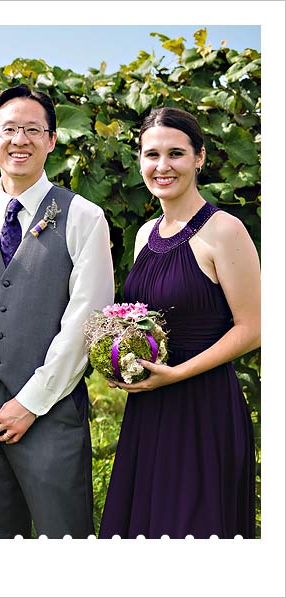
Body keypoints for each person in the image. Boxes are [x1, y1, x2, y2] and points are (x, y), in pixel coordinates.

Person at [0, 84, 115, 538]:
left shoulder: (84, 216)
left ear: (52, 140)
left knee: (65, 541)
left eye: (33, 130)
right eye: (9, 129)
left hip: (51, 412)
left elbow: (87, 318)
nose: (20, 140)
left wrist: (32, 402)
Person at [99, 108, 260, 539]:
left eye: (176, 154)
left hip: (203, 406)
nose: (162, 166)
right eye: (152, 155)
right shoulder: (144, 234)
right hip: (149, 407)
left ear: (199, 157)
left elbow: (254, 327)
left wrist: (177, 374)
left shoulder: (225, 230)